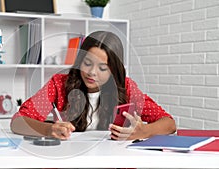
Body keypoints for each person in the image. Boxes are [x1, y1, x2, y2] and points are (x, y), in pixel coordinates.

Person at [11, 31, 176, 141]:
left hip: (114, 162)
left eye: (102, 68)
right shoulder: (59, 83)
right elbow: (18, 122)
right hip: (70, 161)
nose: (91, 73)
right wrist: (48, 130)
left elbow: (169, 124)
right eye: (87, 63)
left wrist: (143, 132)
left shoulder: (126, 87)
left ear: (113, 70)